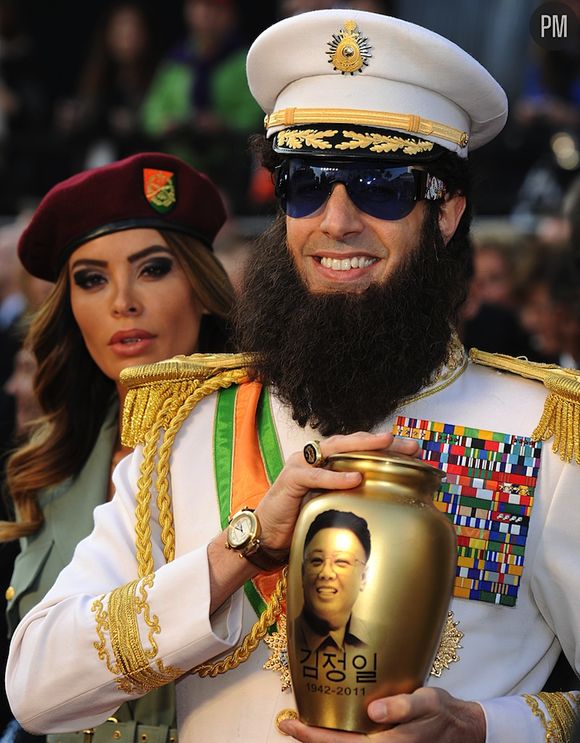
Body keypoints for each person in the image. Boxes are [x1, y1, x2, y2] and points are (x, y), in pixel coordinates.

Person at [6, 9, 580, 743]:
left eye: (380, 186)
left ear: (446, 212)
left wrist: (482, 727)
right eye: (306, 183)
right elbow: (35, 688)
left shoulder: (541, 431)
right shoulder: (188, 425)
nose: (335, 220)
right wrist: (235, 553)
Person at [1, 151, 236, 743]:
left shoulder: (266, 437)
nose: (122, 301)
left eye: (153, 269)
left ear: (203, 288)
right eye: (91, 279)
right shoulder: (51, 459)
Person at [295, 509, 371, 653]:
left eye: (341, 562)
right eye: (317, 560)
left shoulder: (383, 642)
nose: (326, 573)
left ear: (363, 577)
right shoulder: (288, 637)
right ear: (302, 572)